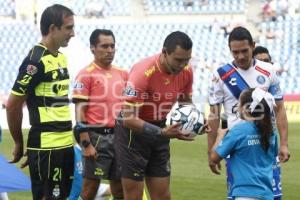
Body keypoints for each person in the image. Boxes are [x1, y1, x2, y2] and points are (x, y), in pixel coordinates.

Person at [115, 31, 202, 200]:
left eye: (187, 60)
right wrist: (161, 133)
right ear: (164, 52)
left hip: (161, 127)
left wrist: (196, 123)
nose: (183, 65)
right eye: (178, 60)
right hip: (132, 134)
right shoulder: (142, 72)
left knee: (162, 196)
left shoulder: (186, 71)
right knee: (134, 196)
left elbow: (185, 103)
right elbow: (128, 119)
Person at [207, 26, 290, 200]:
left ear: (253, 45)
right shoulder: (220, 75)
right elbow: (214, 114)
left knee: (273, 195)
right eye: (235, 52)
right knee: (240, 194)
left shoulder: (268, 70)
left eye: (244, 51)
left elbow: (279, 108)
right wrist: (211, 151)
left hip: (266, 143)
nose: (240, 56)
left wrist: (283, 144)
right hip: (237, 147)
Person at [6, 4, 75, 200]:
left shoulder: (60, 58)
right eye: (68, 28)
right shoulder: (35, 61)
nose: (73, 33)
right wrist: (19, 142)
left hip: (65, 144)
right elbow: (12, 105)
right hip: (48, 147)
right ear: (53, 28)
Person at [72, 29, 126, 200]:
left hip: (120, 137)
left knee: (119, 188)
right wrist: (86, 144)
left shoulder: (123, 74)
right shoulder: (85, 74)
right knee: (90, 188)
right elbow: (80, 111)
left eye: (112, 46)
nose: (109, 50)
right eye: (104, 46)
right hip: (97, 138)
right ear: (93, 48)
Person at [210, 88, 278, 200]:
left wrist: (220, 136)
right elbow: (273, 154)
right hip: (267, 194)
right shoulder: (272, 132)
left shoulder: (238, 131)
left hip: (245, 194)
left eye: (239, 103)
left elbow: (214, 158)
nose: (237, 106)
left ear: (246, 108)